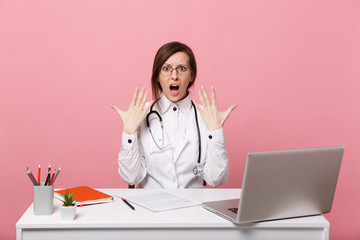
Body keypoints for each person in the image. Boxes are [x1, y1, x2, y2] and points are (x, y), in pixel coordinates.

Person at [111, 41, 236, 188]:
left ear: (191, 76)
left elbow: (215, 179)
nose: (174, 76)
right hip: (151, 206)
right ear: (157, 76)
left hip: (193, 207)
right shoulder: (140, 114)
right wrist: (129, 133)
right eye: (166, 68)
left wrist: (216, 132)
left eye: (182, 69)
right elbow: (131, 177)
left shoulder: (207, 116)